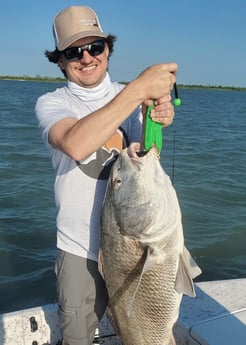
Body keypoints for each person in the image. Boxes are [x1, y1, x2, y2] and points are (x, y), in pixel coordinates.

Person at [35, 5, 178, 345]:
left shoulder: (127, 97)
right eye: (73, 51)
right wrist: (139, 89)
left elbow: (147, 155)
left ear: (108, 48)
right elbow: (75, 144)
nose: (86, 58)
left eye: (94, 47)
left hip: (136, 243)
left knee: (148, 328)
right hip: (78, 250)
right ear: (59, 60)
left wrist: (157, 115)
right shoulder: (51, 104)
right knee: (78, 338)